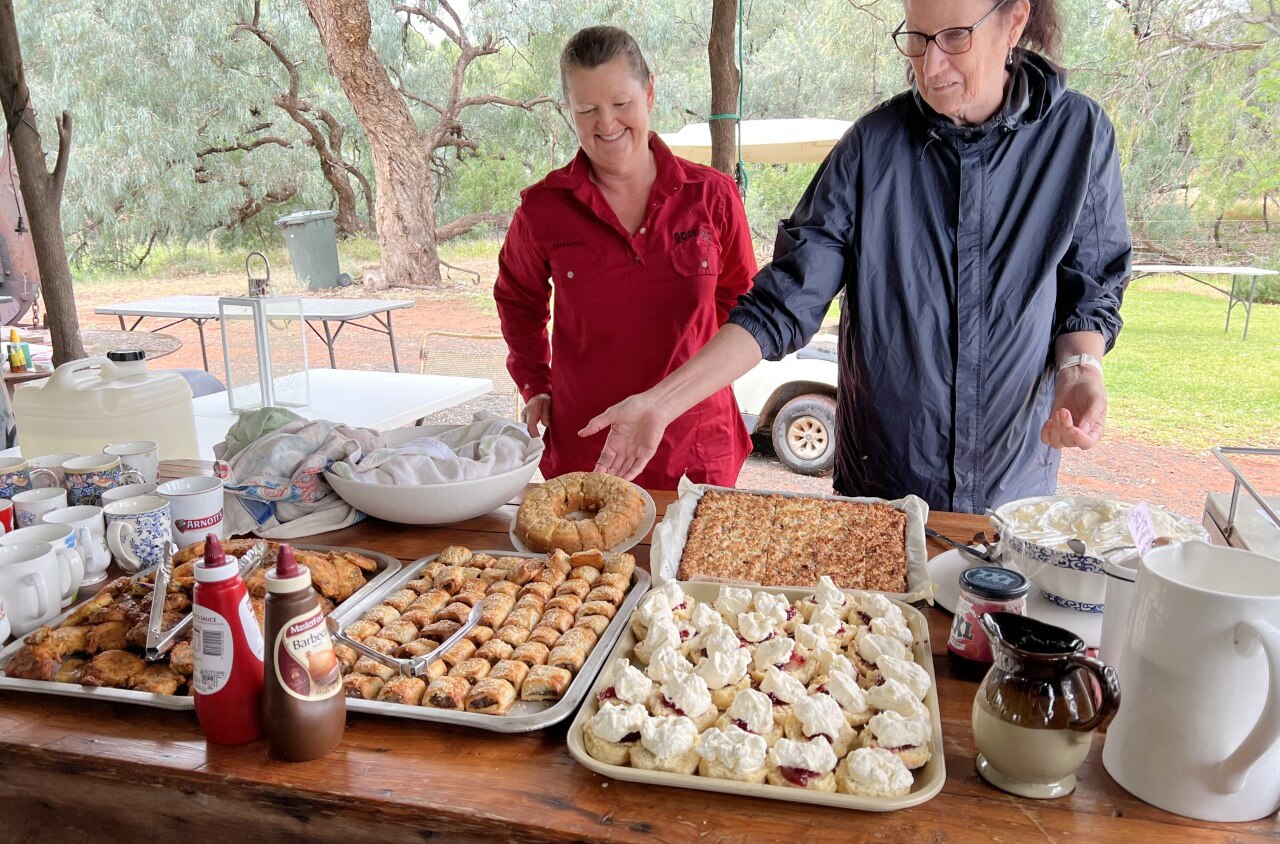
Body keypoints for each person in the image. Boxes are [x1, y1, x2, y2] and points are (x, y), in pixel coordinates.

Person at [579, 0, 1131, 514]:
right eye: (917, 38)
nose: (930, 65)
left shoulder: (1079, 135)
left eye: (955, 37)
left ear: (1014, 22)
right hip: (884, 486)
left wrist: (1080, 371)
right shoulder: (872, 146)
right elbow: (783, 302)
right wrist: (660, 403)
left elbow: (1090, 289)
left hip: (1015, 482)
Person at [494, 26, 756, 490]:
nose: (607, 123)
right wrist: (535, 383)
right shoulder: (542, 209)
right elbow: (517, 301)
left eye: (621, 103)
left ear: (649, 92)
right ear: (569, 110)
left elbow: (743, 310)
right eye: (587, 110)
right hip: (588, 450)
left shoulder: (712, 195)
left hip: (696, 446)